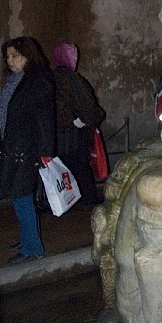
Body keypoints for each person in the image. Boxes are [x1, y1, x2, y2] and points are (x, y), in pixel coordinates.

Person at [0, 37, 55, 263]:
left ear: (28, 56)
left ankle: (33, 248)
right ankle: (26, 239)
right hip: (12, 148)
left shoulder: (37, 81)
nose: (10, 60)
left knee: (22, 198)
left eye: (15, 56)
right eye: (8, 56)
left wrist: (45, 152)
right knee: (17, 197)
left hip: (27, 151)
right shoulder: (15, 80)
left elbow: (45, 119)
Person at [50, 43, 105, 205]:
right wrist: (82, 120)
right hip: (78, 133)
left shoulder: (55, 79)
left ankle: (71, 201)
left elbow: (57, 105)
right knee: (81, 167)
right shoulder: (75, 79)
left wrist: (73, 120)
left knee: (68, 169)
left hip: (65, 135)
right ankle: (87, 199)